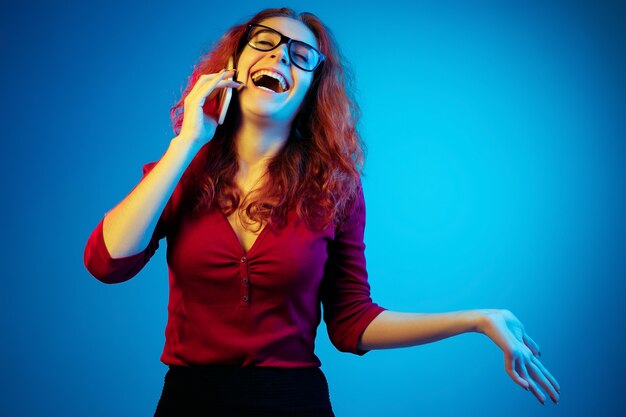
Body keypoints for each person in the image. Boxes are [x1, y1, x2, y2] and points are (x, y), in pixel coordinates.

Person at [83, 7, 561, 416]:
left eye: (300, 55)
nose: (278, 56)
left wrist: (476, 319)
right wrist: (186, 143)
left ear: (313, 88)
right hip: (189, 401)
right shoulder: (182, 170)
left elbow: (352, 322)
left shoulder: (336, 188)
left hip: (295, 402)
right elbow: (107, 263)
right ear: (233, 63)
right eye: (265, 43)